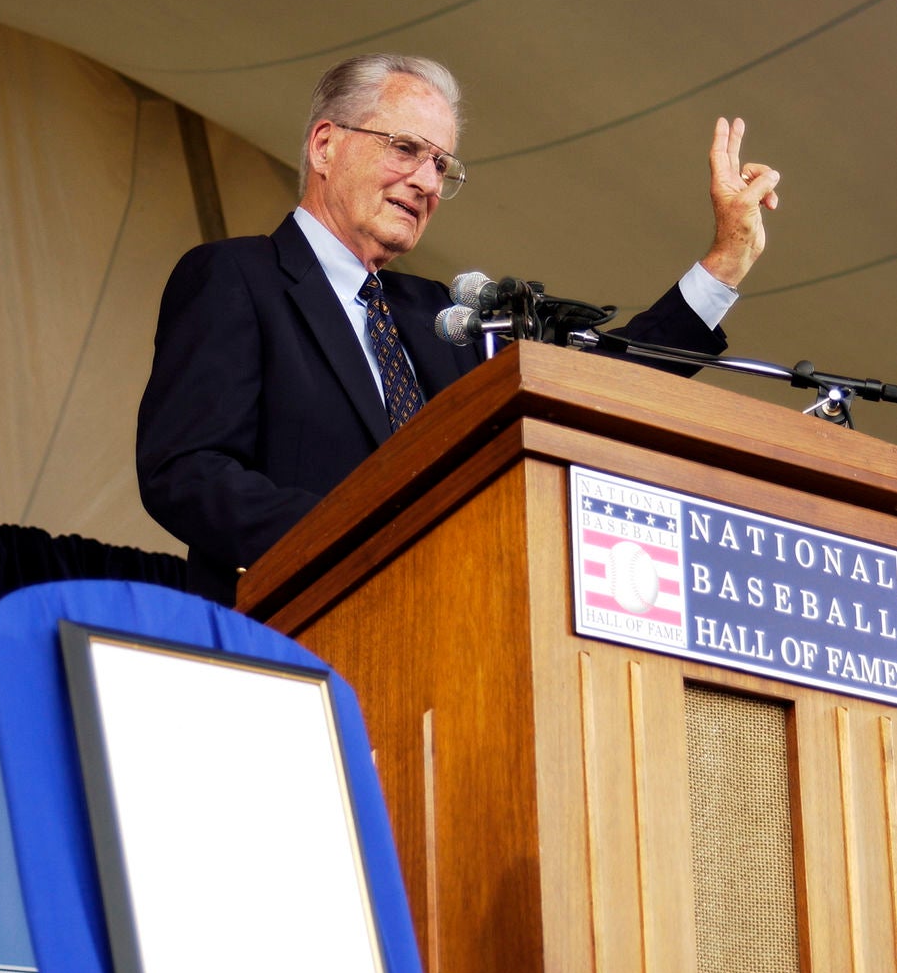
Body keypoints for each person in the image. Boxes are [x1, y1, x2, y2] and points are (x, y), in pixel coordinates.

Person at [137, 54, 779, 606]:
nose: (425, 182)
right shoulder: (236, 277)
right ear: (326, 145)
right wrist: (367, 537)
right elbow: (186, 472)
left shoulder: (441, 316)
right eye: (406, 149)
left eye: (442, 166)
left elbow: (591, 391)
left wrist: (725, 260)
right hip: (293, 644)